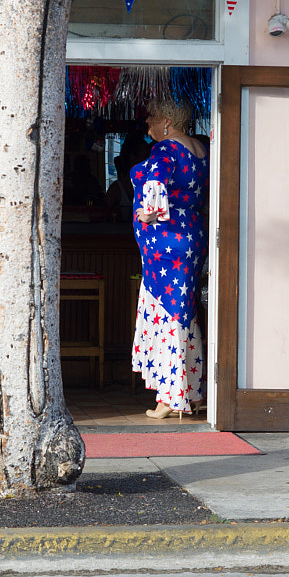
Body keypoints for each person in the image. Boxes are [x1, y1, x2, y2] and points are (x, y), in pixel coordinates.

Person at [130, 99, 209, 419]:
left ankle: (170, 397)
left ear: (167, 121)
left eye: (151, 118)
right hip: (190, 236)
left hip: (165, 245)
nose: (147, 124)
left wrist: (149, 213)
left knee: (167, 313)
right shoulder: (199, 149)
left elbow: (155, 182)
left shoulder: (164, 151)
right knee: (183, 312)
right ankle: (192, 390)